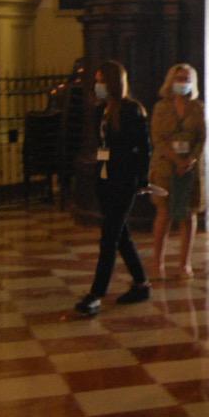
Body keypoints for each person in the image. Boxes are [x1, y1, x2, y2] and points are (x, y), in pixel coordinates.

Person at [75, 60, 152, 317]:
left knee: (109, 238)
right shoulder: (101, 110)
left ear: (114, 82)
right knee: (120, 234)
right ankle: (141, 282)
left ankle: (96, 294)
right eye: (96, 80)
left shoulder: (133, 110)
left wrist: (141, 179)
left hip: (124, 180)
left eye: (101, 80)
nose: (97, 85)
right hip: (105, 178)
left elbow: (143, 148)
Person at [150, 63, 206, 278]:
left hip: (190, 167)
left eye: (186, 79)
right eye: (178, 78)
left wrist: (190, 158)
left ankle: (184, 263)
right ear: (170, 81)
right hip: (165, 166)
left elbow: (201, 137)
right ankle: (157, 263)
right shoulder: (161, 108)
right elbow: (157, 138)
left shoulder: (197, 107)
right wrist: (175, 159)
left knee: (188, 214)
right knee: (163, 214)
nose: (182, 83)